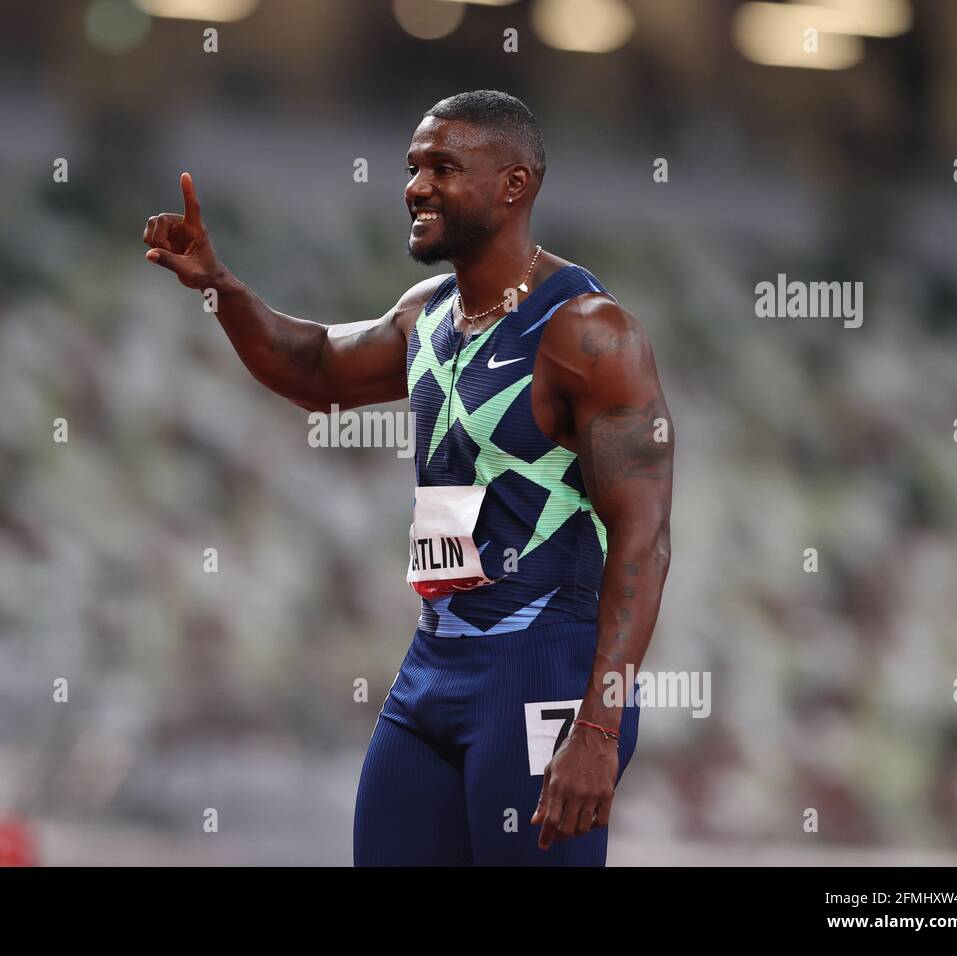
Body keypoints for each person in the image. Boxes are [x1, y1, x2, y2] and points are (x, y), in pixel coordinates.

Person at [144, 90, 673, 866]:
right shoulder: (428, 312)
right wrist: (219, 286)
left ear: (513, 185)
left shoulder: (589, 333)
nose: (415, 187)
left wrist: (598, 724)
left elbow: (645, 537)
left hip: (544, 673)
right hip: (434, 667)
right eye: (412, 167)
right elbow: (318, 367)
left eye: (443, 167)